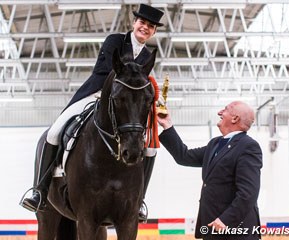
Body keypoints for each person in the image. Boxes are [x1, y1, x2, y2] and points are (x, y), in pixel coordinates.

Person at [20, 4, 164, 222]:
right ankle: (40, 190)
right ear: (134, 23)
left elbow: (141, 84)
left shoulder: (147, 55)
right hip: (95, 95)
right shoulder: (115, 41)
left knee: (150, 147)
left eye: (150, 26)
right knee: (54, 132)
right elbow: (112, 72)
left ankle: (139, 200)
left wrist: (156, 97)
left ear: (154, 31)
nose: (145, 27)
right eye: (142, 23)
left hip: (123, 105)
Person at [157, 101, 263, 240]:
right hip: (213, 227)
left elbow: (248, 193)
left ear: (235, 118)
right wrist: (168, 125)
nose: (219, 112)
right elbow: (184, 157)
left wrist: (226, 220)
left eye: (225, 110)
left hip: (234, 229)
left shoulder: (248, 146)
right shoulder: (215, 143)